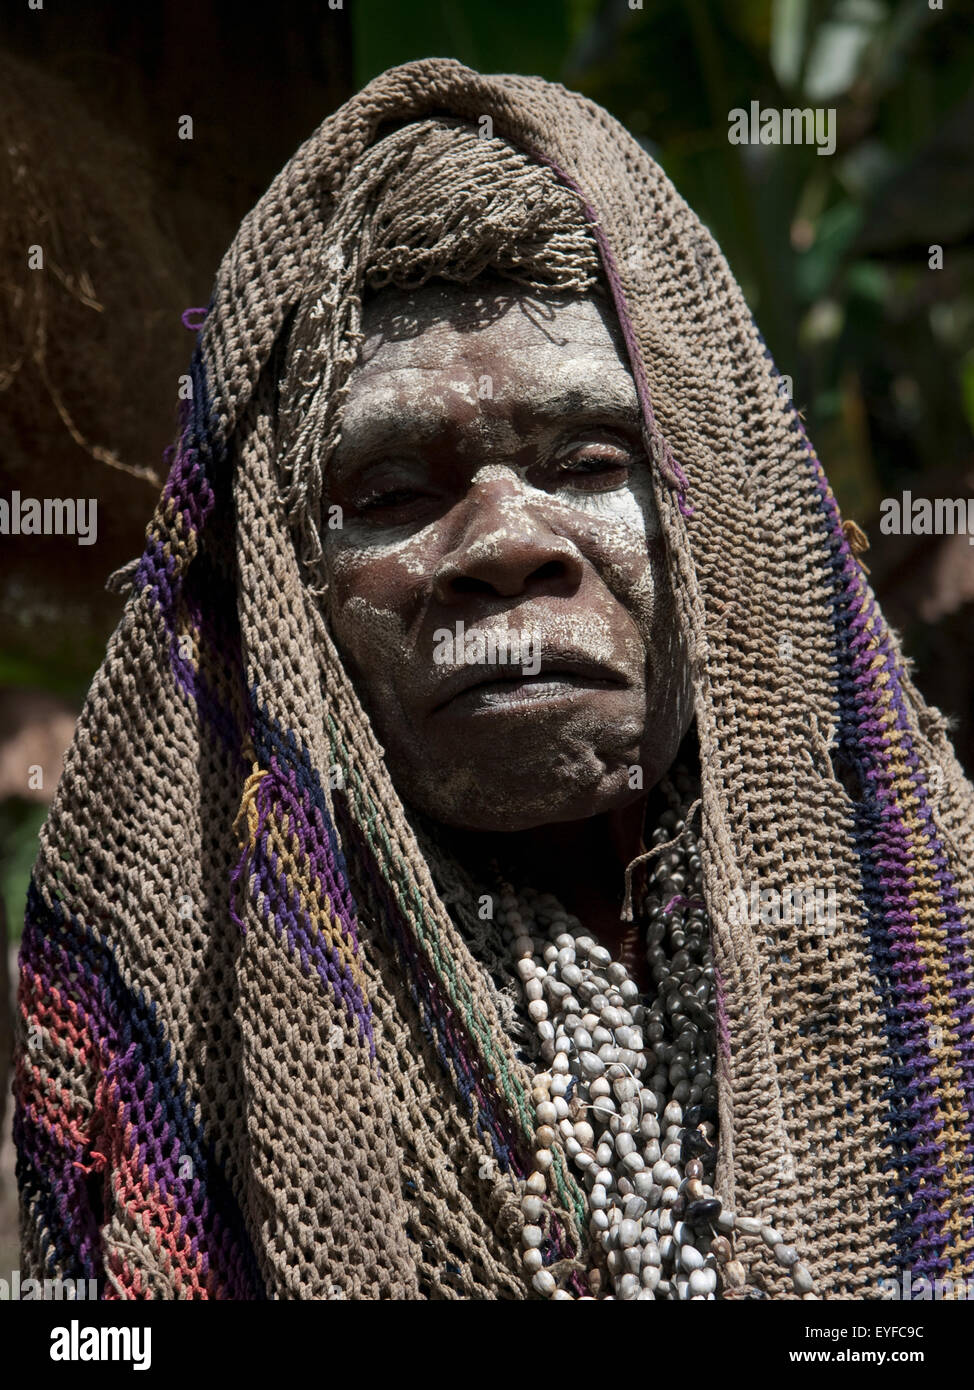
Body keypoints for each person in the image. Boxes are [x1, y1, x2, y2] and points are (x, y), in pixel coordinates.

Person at [14, 59, 974, 1301]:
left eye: (584, 459)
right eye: (393, 495)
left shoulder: (939, 955)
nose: (507, 545)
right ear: (284, 592)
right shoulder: (163, 1048)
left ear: (723, 520)